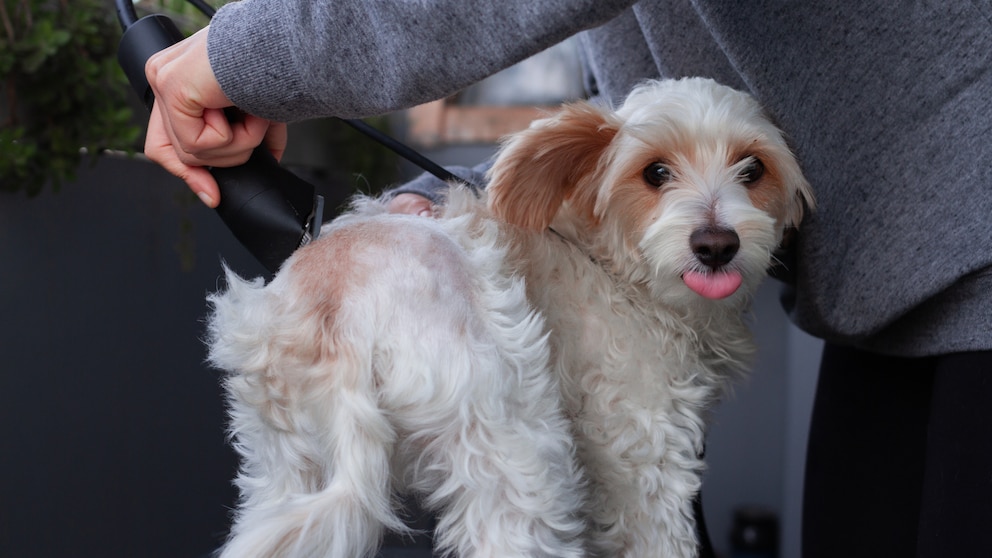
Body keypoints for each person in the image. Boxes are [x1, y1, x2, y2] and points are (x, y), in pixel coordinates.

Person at [143, 1, 992, 556]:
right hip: (896, 286)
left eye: (748, 172)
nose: (711, 220)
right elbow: (607, 117)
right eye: (662, 177)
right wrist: (429, 204)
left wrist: (240, 57)